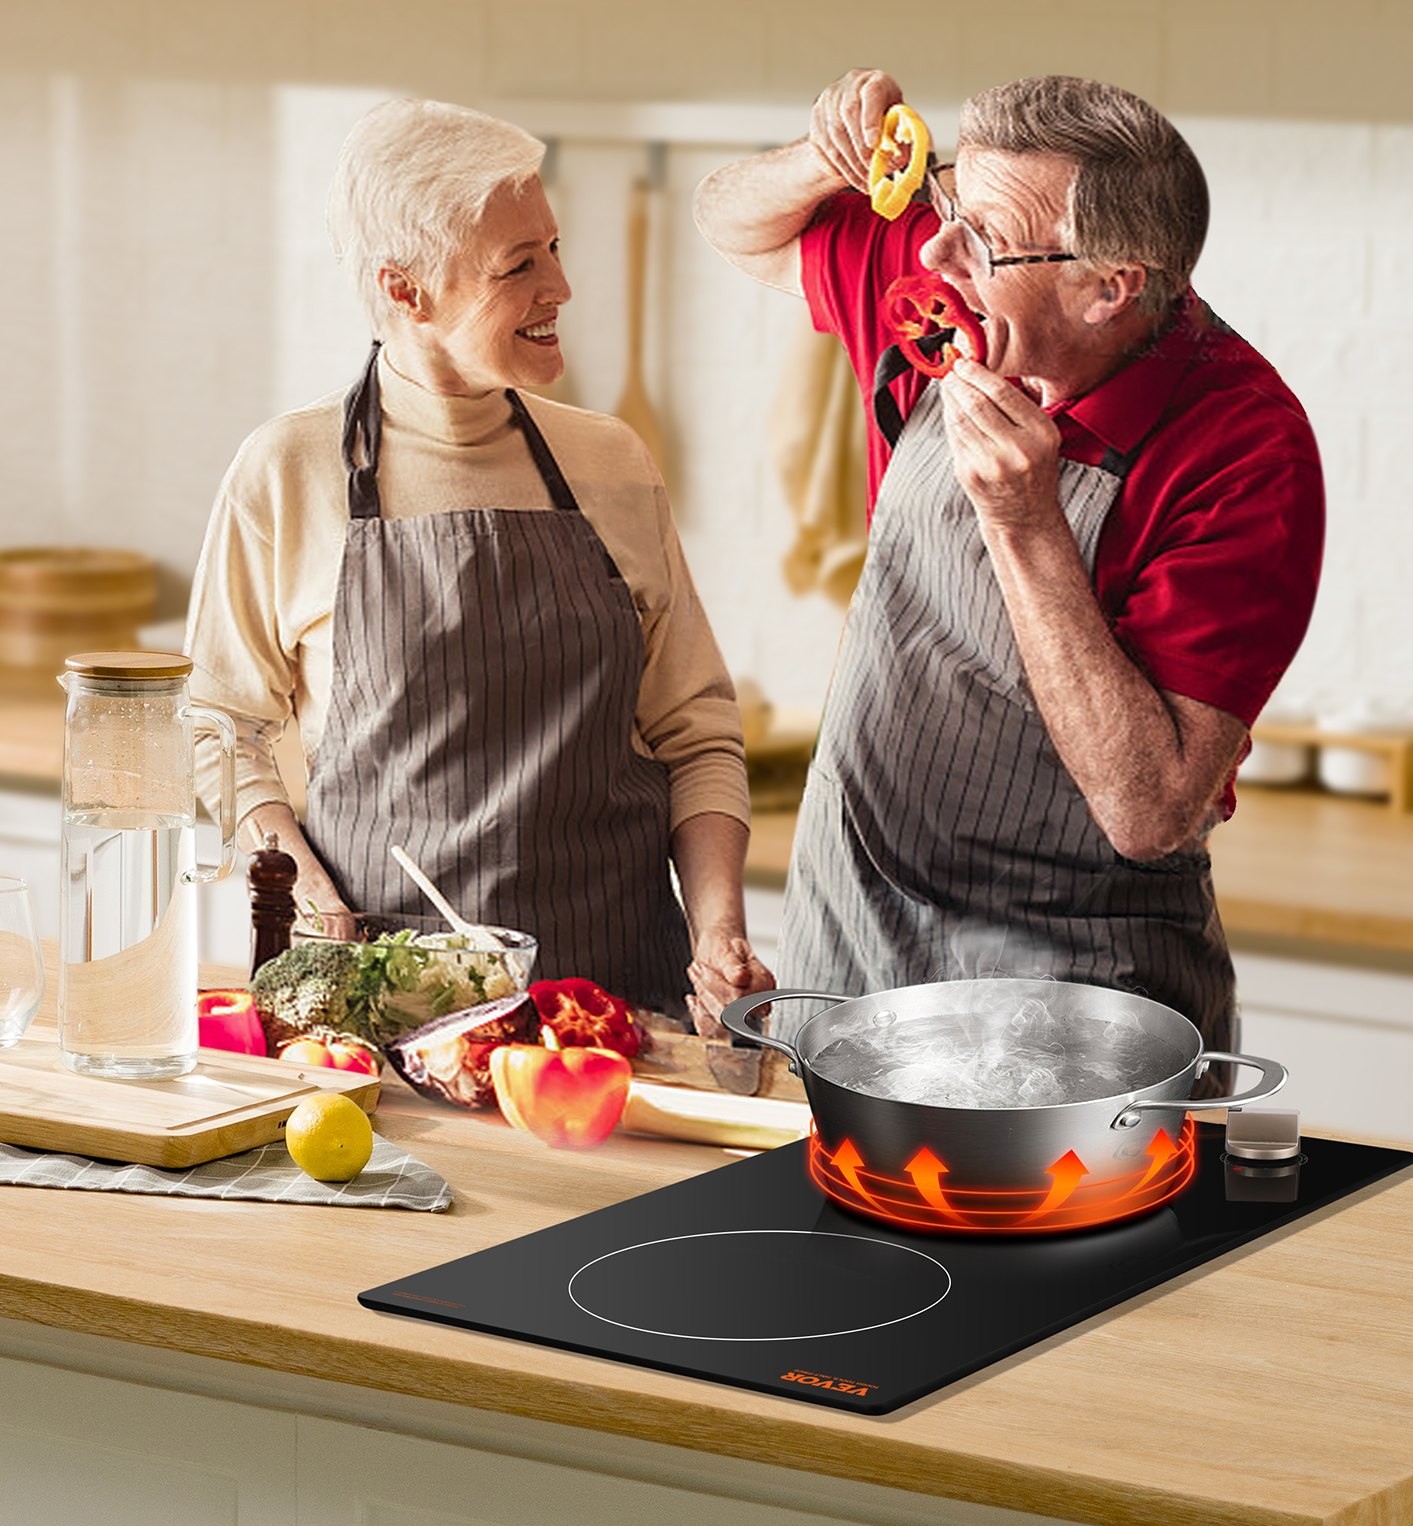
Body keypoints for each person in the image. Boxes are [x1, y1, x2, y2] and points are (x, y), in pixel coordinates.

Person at [692, 71, 1323, 1067]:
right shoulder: (951, 299)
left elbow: (1150, 808)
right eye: (946, 202)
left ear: (1108, 284)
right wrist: (825, 161)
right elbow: (731, 223)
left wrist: (1024, 521)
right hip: (847, 955)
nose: (936, 249)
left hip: (1072, 1015)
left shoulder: (1244, 450)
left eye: (978, 238)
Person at [186, 97, 773, 1026]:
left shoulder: (611, 460)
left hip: (619, 1011)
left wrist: (719, 934)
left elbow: (695, 731)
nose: (562, 288)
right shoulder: (287, 472)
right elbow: (217, 728)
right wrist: (314, 900)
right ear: (406, 290)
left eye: (553, 247)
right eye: (519, 265)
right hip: (386, 1017)